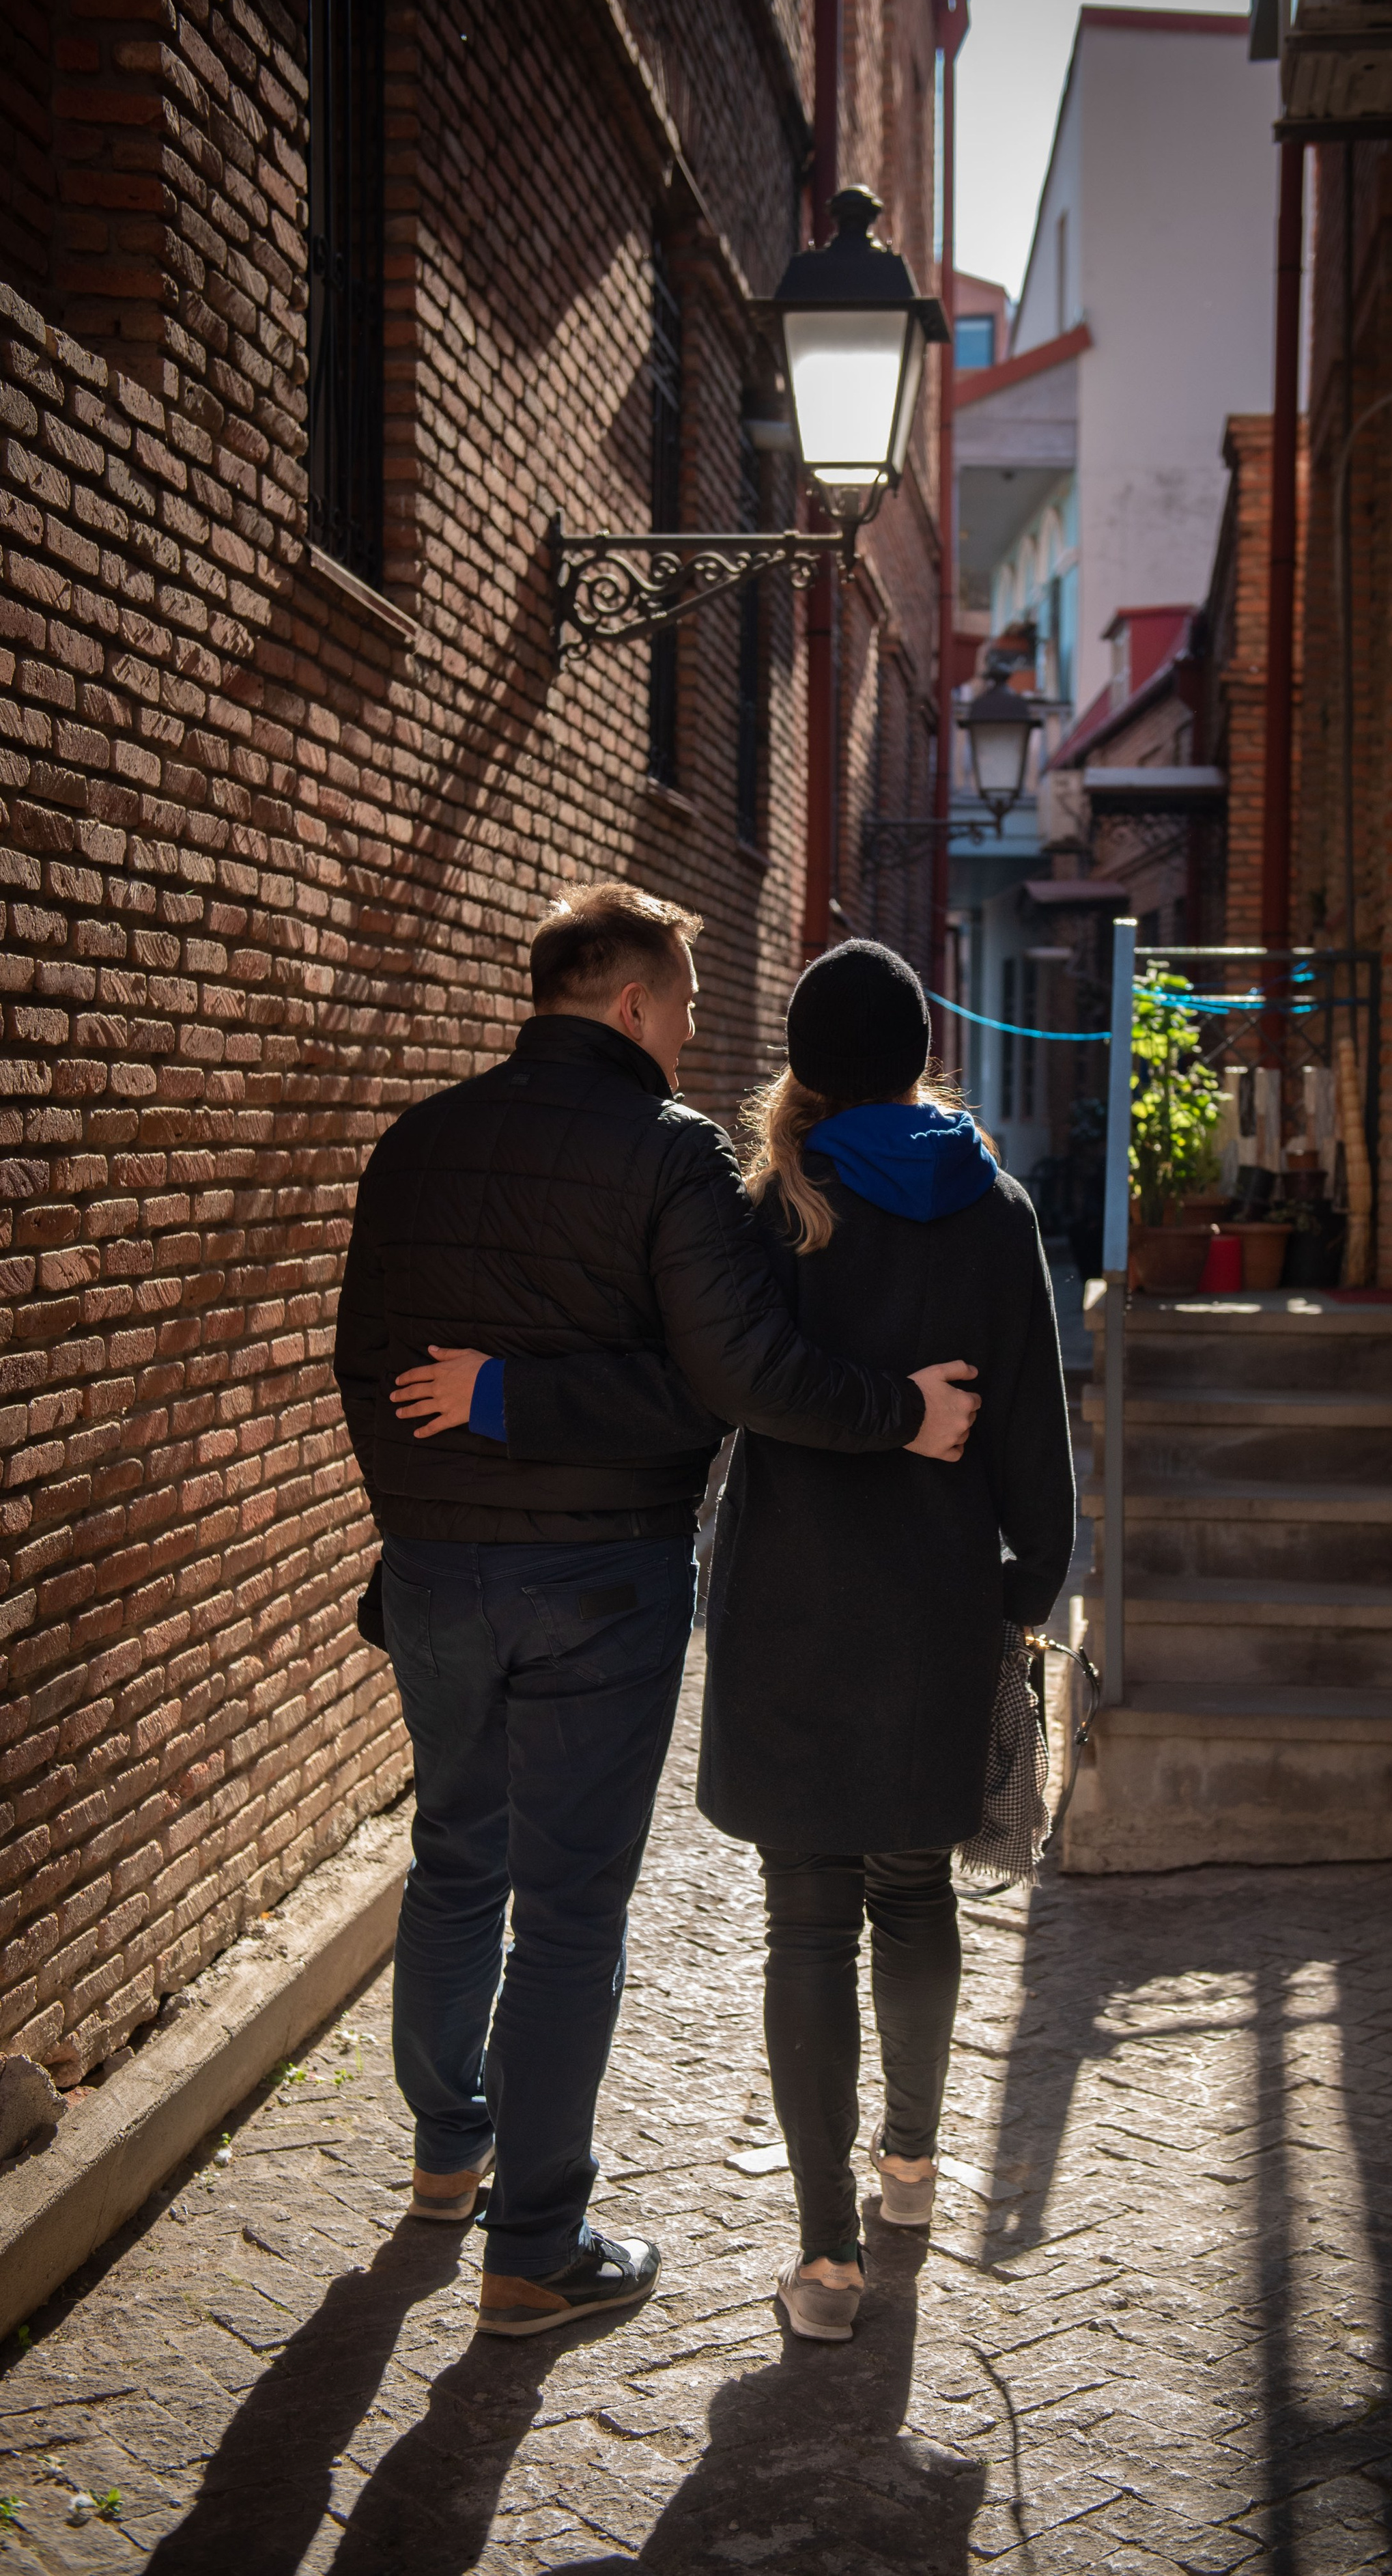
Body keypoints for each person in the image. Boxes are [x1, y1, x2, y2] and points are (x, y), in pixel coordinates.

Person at [335, 886, 979, 2340]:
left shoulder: (415, 1140)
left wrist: (437, 1494)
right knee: (566, 1907)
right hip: (603, 1580)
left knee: (451, 1857)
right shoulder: (670, 1157)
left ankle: (450, 2156)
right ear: (626, 1002)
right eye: (684, 1002)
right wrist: (899, 1414)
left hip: (435, 1570)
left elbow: (363, 1366)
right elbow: (734, 1379)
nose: (694, 1031)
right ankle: (532, 2248)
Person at [698, 940, 1077, 2341]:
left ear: (801, 1060)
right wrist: (1030, 1590)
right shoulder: (993, 1208)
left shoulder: (766, 1204)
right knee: (911, 1888)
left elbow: (730, 1383)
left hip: (787, 1603)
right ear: (923, 1049)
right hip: (932, 1601)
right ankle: (907, 2175)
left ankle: (821, 2264)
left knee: (805, 1908)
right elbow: (1035, 1428)